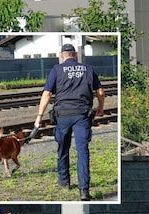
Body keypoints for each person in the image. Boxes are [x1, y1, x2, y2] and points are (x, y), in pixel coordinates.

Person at [34, 43, 105, 201]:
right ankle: (84, 191)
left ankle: (64, 182)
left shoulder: (57, 70)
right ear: (76, 54)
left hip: (63, 115)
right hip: (82, 115)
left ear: (62, 56)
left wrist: (39, 116)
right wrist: (100, 108)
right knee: (82, 152)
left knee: (63, 148)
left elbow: (46, 94)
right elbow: (100, 91)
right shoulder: (88, 69)